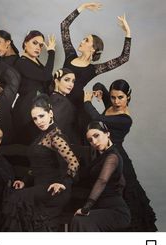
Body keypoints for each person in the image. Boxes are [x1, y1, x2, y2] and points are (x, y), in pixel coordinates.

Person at [83, 79, 157, 231]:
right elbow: (100, 85)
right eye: (113, 97)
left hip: (117, 158)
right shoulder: (111, 104)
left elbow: (97, 119)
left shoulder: (125, 119)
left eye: (120, 97)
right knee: (108, 193)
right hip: (104, 155)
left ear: (128, 97)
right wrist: (98, 89)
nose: (116, 102)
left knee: (125, 196)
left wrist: (87, 102)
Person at [1, 94, 79, 231]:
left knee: (16, 198)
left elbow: (74, 163)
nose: (38, 121)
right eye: (35, 118)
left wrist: (63, 183)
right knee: (14, 196)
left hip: (53, 189)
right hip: (40, 186)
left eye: (41, 116)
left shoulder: (56, 136)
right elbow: (37, 166)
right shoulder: (42, 136)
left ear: (50, 113)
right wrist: (25, 181)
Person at [60, 2, 131, 139]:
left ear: (93, 48)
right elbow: (64, 26)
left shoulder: (94, 69)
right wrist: (83, 7)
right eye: (83, 39)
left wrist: (127, 33)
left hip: (77, 109)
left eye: (86, 40)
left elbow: (123, 58)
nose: (81, 41)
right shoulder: (70, 55)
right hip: (58, 102)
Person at [71, 121, 131, 231]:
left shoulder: (112, 156)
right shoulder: (101, 157)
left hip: (115, 211)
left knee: (80, 220)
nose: (94, 142)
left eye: (96, 136)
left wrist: (86, 208)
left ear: (107, 134)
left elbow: (102, 180)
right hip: (101, 206)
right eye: (90, 140)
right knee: (76, 218)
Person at [12, 31, 56, 145]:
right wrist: (51, 52)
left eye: (41, 45)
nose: (38, 47)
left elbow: (48, 79)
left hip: (37, 108)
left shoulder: (36, 62)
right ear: (25, 43)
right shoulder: (21, 62)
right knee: (28, 146)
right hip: (25, 111)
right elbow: (45, 76)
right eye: (34, 43)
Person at [49, 67, 80, 144]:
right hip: (65, 146)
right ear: (56, 81)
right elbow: (56, 129)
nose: (71, 84)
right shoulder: (61, 101)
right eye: (67, 80)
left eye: (73, 81)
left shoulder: (54, 98)